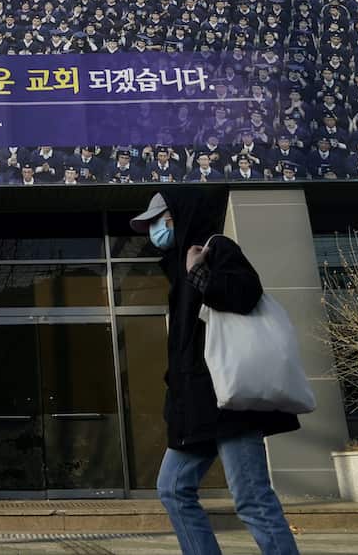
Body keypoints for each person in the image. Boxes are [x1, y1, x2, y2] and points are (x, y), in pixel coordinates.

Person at [130, 191, 301, 555]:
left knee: (252, 500)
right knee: (173, 489)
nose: (154, 230)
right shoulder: (178, 267)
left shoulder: (215, 248)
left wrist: (199, 272)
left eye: (160, 220)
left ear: (180, 215)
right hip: (197, 409)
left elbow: (245, 293)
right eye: (150, 225)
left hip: (230, 405)